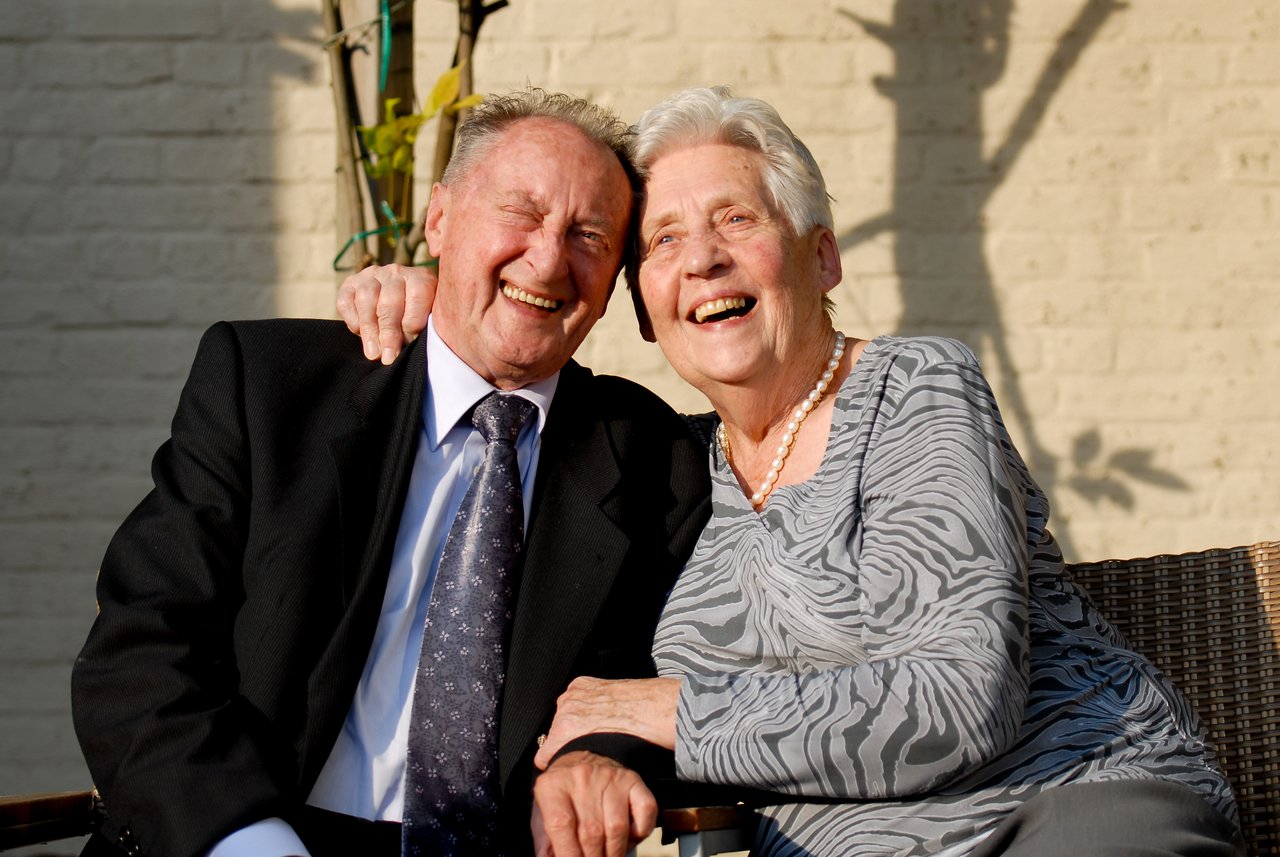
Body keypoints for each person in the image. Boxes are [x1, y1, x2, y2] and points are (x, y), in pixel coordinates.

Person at [341, 87, 1242, 857]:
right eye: (661, 240)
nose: (702, 257)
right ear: (646, 315)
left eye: (737, 218)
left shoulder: (916, 390)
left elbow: (959, 700)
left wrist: (673, 713)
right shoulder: (663, 469)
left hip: (1057, 808)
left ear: (821, 256)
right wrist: (430, 305)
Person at [70, 88, 711, 857]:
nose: (547, 258)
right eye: (521, 212)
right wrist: (251, 845)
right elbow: (138, 656)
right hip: (249, 830)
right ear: (439, 219)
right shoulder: (272, 387)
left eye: (589, 234)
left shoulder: (649, 456)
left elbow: (651, 673)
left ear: (614, 281)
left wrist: (598, 755)